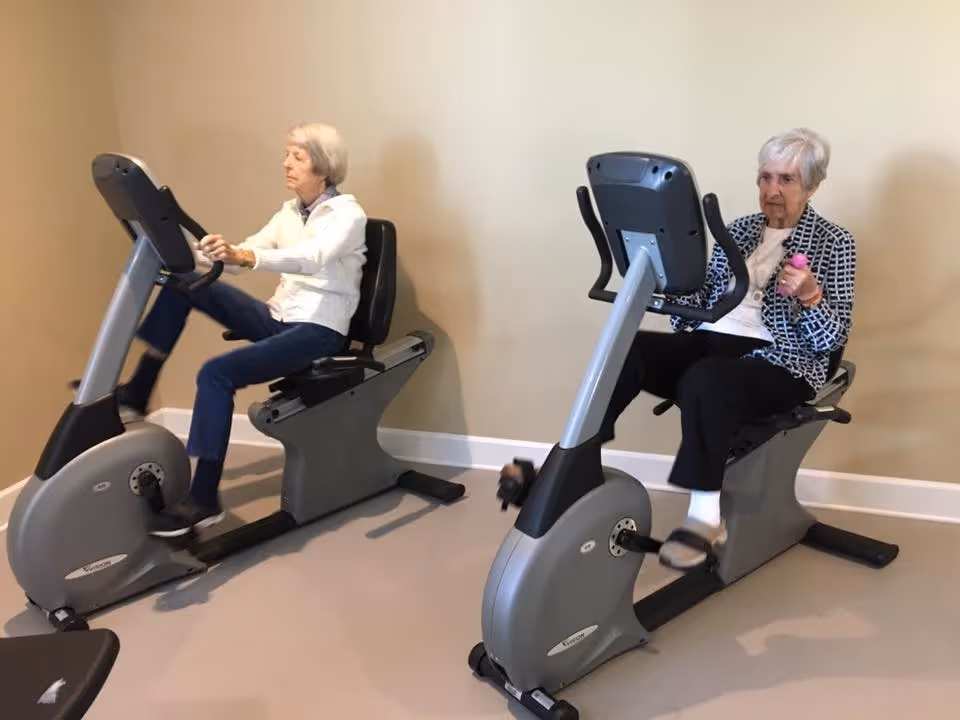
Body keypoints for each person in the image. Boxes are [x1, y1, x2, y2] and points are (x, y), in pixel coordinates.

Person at [507, 127, 856, 571]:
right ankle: (570, 469)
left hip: (782, 360)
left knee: (705, 380)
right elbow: (698, 302)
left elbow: (830, 339)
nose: (772, 190)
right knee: (628, 348)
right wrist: (666, 273)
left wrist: (810, 296)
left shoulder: (835, 243)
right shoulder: (739, 230)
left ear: (812, 186)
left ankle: (705, 519)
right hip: (711, 341)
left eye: (786, 179)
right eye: (766, 177)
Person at [119, 123, 368, 538]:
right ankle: (137, 391)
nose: (286, 163)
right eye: (287, 154)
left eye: (298, 157)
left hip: (318, 330)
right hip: (278, 318)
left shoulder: (347, 216)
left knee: (215, 374)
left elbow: (310, 258)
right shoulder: (288, 212)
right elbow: (243, 256)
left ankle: (204, 499)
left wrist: (244, 255)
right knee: (187, 284)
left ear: (323, 168)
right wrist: (207, 253)